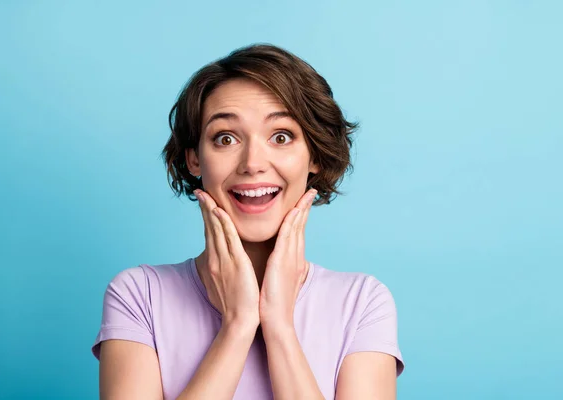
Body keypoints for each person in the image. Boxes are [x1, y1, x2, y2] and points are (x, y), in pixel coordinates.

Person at [91, 43, 405, 399]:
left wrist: (280, 328)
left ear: (314, 154)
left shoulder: (362, 303)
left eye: (281, 137)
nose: (253, 162)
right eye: (226, 138)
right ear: (195, 160)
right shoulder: (139, 296)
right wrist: (237, 327)